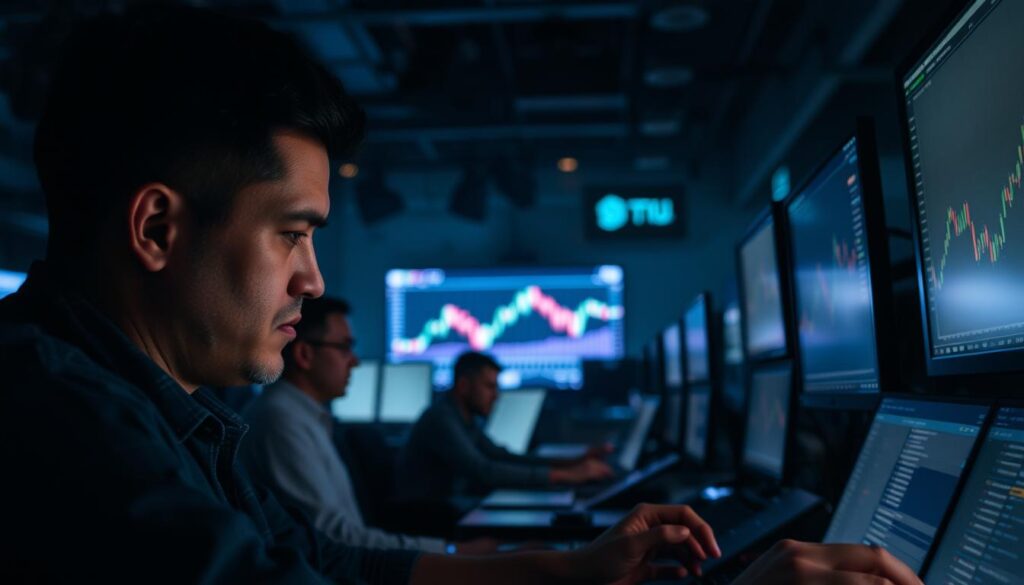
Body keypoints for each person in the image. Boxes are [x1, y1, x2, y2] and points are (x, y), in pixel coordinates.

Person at [0, 5, 922, 585]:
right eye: (292, 231)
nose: (313, 279)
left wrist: (570, 570)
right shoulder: (54, 421)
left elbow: (321, 562)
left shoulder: (179, 413)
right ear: (158, 230)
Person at [240, 296, 493, 554]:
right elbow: (336, 540)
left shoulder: (304, 418)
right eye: (344, 347)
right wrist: (450, 552)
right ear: (304, 354)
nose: (355, 361)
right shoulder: (281, 421)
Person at [397, 351, 614, 504]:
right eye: (489, 386)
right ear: (463, 386)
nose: (497, 395)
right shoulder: (441, 419)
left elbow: (503, 457)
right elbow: (484, 471)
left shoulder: (463, 418)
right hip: (422, 515)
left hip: (442, 507)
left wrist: (576, 461)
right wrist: (565, 476)